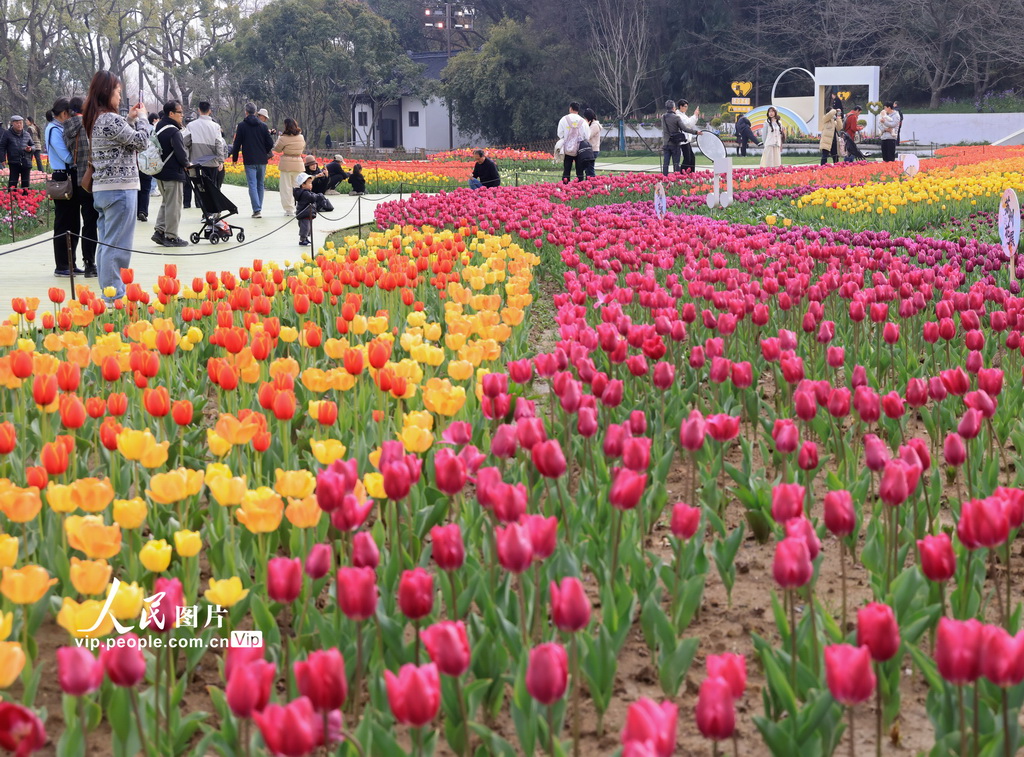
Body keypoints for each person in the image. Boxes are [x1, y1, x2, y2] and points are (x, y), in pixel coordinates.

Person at [82, 70, 149, 302]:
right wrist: (142, 118)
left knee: (106, 244)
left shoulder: (97, 118)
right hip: (120, 190)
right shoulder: (109, 119)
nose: (120, 97)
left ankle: (108, 292)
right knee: (117, 246)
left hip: (103, 190)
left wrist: (129, 119)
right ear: (107, 91)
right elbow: (141, 142)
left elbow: (119, 141)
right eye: (118, 92)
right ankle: (114, 296)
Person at [45, 97, 87, 277]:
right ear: (64, 114)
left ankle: (71, 263)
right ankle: (61, 265)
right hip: (63, 177)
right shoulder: (54, 129)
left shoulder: (61, 127)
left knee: (74, 222)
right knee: (63, 222)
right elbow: (67, 156)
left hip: (71, 175)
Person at [63, 97, 99, 276]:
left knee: (81, 223)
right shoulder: (90, 124)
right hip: (92, 179)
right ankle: (93, 263)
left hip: (76, 180)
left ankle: (81, 263)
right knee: (94, 222)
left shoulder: (66, 128)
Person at [151, 100, 189, 247]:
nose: (182, 115)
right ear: (171, 113)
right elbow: (181, 153)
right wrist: (187, 164)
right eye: (180, 112)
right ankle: (171, 236)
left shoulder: (158, 126)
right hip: (173, 173)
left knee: (166, 202)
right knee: (174, 205)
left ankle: (159, 231)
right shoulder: (173, 131)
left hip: (159, 172)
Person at [230, 102, 275, 218]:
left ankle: (256, 210)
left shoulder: (242, 126)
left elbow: (237, 144)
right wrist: (264, 151)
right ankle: (258, 207)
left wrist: (234, 158)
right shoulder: (263, 126)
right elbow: (270, 143)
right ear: (255, 112)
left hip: (249, 159)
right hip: (262, 159)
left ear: (246, 112)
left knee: (252, 185)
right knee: (260, 184)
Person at [183, 100, 226, 195]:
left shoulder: (191, 125)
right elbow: (219, 144)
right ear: (209, 110)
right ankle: (211, 206)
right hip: (212, 162)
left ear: (199, 110)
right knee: (212, 186)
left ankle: (199, 204)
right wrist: (221, 161)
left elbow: (185, 142)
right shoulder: (216, 126)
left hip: (195, 161)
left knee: (198, 185)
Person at [272, 118, 306, 215]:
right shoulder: (301, 137)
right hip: (298, 163)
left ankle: (289, 209)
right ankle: (300, 206)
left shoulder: (283, 138)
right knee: (298, 186)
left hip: (286, 163)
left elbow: (277, 149)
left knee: (286, 188)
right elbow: (302, 147)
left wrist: (279, 138)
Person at [293, 172, 333, 247]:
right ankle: (302, 239)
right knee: (305, 228)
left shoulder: (305, 192)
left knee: (308, 228)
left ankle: (306, 238)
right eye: (309, 183)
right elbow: (312, 197)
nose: (311, 185)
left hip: (307, 214)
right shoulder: (304, 193)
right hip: (304, 214)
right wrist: (319, 196)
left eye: (311, 183)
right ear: (303, 185)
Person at [661, 100, 701, 175]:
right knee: (676, 163)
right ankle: (678, 177)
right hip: (675, 143)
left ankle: (664, 177)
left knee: (666, 163)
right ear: (674, 108)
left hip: (666, 143)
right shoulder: (677, 117)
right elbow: (685, 128)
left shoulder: (663, 117)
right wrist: (695, 132)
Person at [556, 102, 592, 183]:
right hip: (580, 150)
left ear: (570, 109)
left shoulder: (564, 119)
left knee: (567, 169)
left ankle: (565, 186)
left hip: (567, 149)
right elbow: (587, 136)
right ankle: (580, 187)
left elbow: (560, 134)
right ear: (578, 110)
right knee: (580, 171)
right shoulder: (583, 121)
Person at [0, 116, 34, 188]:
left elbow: (33, 146)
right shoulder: (7, 134)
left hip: (26, 161)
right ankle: (12, 197)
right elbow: (2, 147)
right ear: (13, 123)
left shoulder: (26, 134)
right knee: (13, 181)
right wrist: (2, 159)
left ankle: (25, 196)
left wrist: (30, 149)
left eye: (21, 123)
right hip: (14, 161)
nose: (19, 125)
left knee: (26, 182)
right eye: (17, 123)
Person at [137, 111, 156, 221]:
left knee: (137, 189)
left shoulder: (130, 127)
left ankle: (137, 210)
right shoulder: (151, 129)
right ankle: (143, 211)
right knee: (145, 188)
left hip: (134, 163)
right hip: (146, 162)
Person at [678, 100, 700, 173]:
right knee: (687, 158)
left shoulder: (683, 114)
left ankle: (691, 173)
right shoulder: (678, 115)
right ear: (681, 106)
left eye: (687, 106)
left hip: (686, 140)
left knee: (691, 158)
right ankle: (682, 173)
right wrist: (695, 115)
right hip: (683, 140)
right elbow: (688, 123)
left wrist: (695, 116)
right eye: (685, 106)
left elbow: (690, 123)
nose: (686, 108)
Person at [583, 108, 601, 178]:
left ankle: (593, 184)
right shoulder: (592, 125)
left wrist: (586, 125)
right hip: (590, 150)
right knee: (588, 169)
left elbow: (587, 136)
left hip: (593, 150)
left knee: (590, 169)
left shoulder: (595, 125)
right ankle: (590, 184)